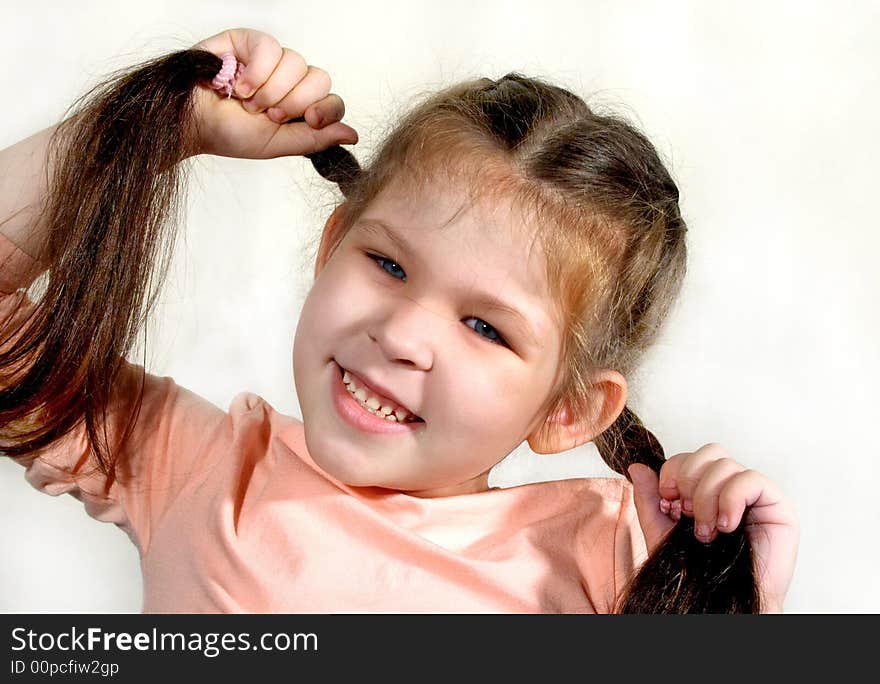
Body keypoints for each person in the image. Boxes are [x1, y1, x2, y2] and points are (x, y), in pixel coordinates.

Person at [0, 28, 798, 613]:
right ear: (333, 247)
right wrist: (163, 130)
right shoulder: (198, 467)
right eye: (387, 265)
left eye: (486, 327)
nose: (403, 335)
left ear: (568, 409)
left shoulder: (610, 557)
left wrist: (729, 590)